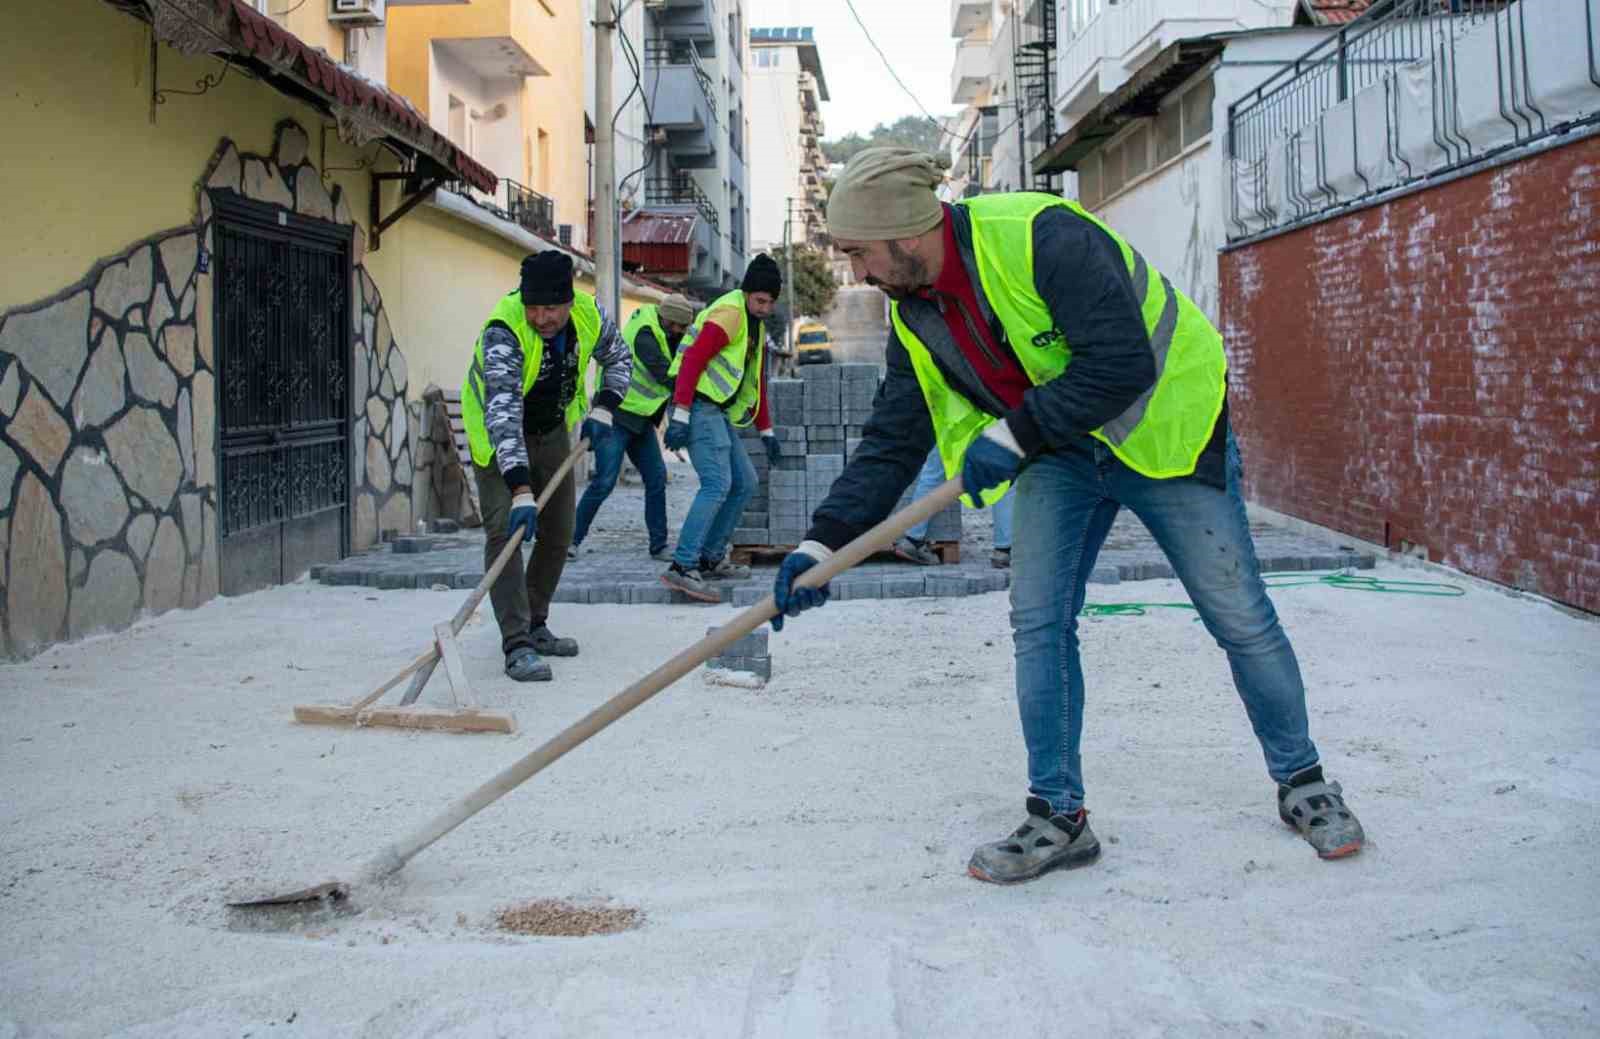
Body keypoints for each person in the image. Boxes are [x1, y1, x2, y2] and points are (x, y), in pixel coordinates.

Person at [769, 148, 1365, 883]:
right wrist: (820, 543)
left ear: (907, 231)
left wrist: (1013, 433)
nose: (859, 274)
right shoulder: (915, 312)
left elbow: (1121, 363)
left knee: (1238, 613)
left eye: (861, 254)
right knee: (1039, 621)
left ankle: (1304, 780)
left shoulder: (1043, 236)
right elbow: (893, 442)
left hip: (1163, 432)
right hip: (1057, 451)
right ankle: (1059, 816)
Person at [461, 251, 632, 682]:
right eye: (533, 308)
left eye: (550, 308)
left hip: (552, 429)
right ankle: (516, 643)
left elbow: (620, 360)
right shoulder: (505, 328)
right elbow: (501, 415)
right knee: (506, 532)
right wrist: (520, 489)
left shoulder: (591, 316)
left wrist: (605, 409)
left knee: (558, 531)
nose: (540, 317)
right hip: (499, 437)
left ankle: (536, 624)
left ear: (569, 301)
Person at [658, 255, 784, 602]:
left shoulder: (754, 324)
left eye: (771, 302)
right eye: (760, 300)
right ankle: (683, 567)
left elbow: (756, 380)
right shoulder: (730, 314)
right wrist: (681, 413)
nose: (765, 308)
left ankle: (710, 557)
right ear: (747, 293)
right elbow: (693, 359)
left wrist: (767, 431)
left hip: (715, 410)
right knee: (717, 484)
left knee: (745, 482)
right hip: (696, 405)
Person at [570, 292, 697, 561]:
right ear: (668, 320)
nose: (682, 332)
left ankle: (659, 545)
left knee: (656, 478)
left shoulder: (665, 330)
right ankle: (571, 540)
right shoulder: (645, 335)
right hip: (615, 417)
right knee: (604, 482)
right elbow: (667, 375)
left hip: (640, 420)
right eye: (680, 327)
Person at [893, 447, 1014, 568]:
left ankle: (913, 539)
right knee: (1003, 477)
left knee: (932, 474)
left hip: (948, 429)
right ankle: (1003, 550)